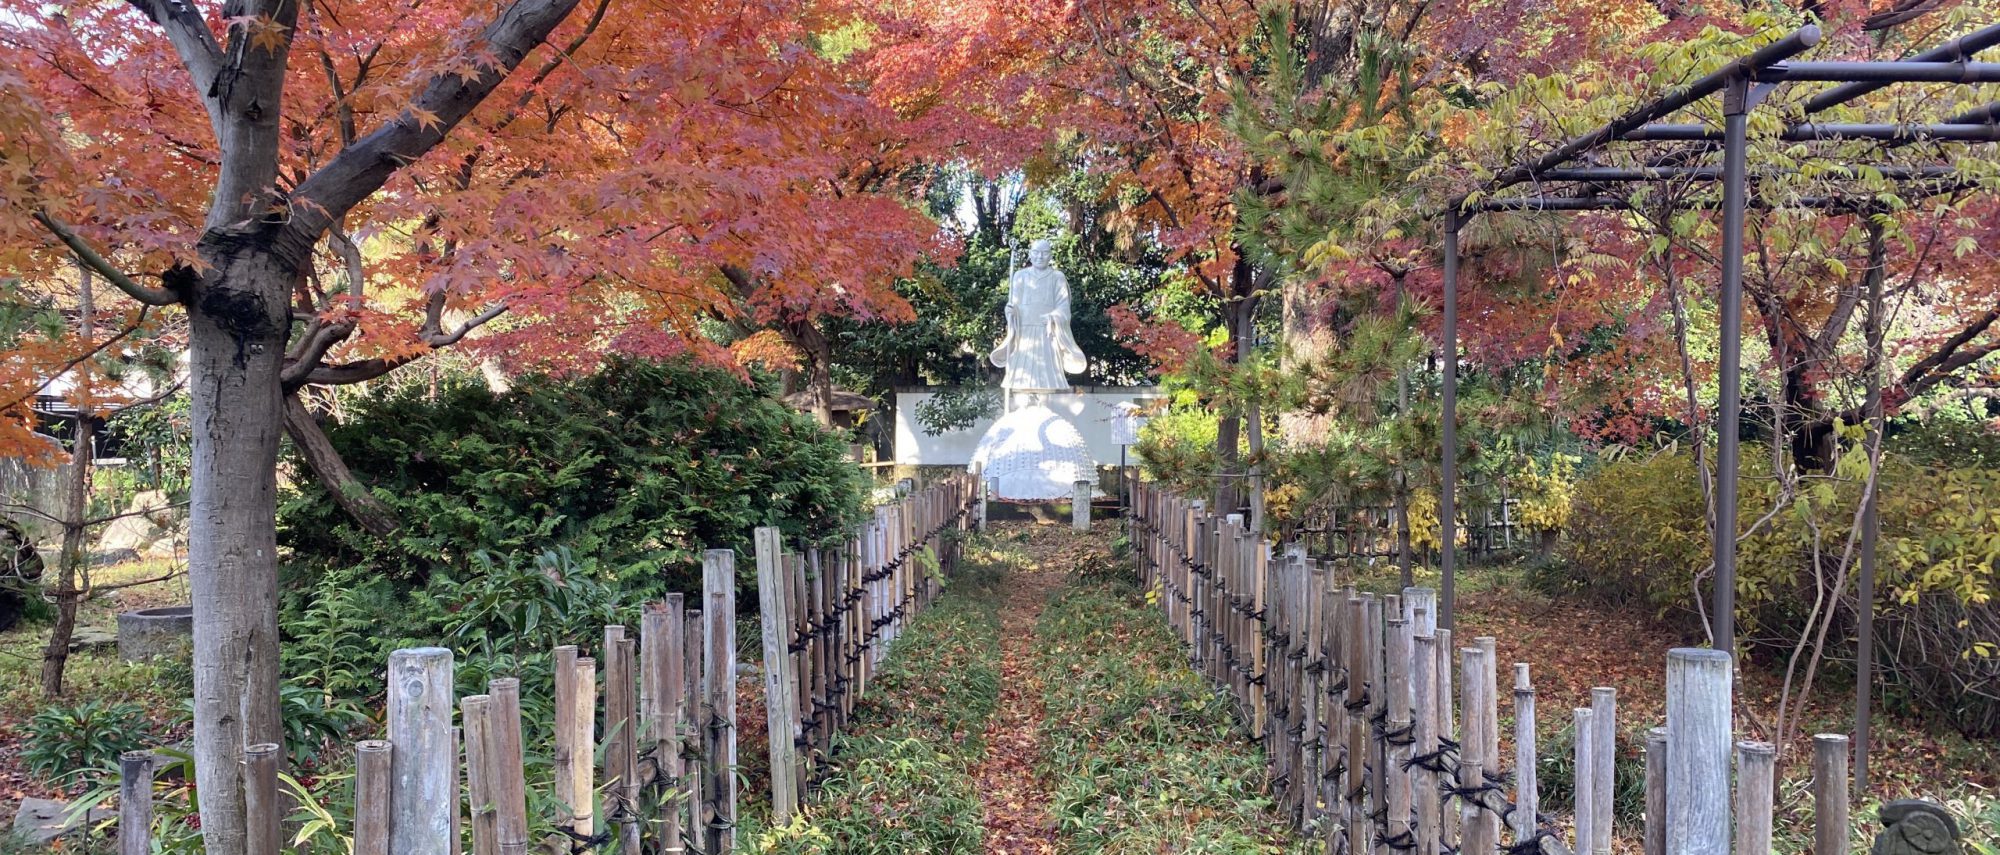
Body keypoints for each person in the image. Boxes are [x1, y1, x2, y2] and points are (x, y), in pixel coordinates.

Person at [989, 238, 1087, 399]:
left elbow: (1064, 308)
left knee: (1046, 381)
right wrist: (1010, 311)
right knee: (1021, 379)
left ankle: (1044, 408)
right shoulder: (1020, 276)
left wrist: (1053, 317)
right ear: (1030, 254)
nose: (1040, 257)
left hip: (1047, 332)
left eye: (1044, 253)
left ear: (1050, 256)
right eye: (1036, 252)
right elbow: (1014, 304)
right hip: (1024, 334)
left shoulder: (1057, 277)